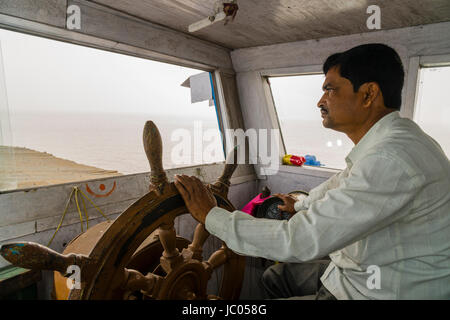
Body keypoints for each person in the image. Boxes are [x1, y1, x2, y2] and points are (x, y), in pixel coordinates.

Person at [174, 43, 450, 300]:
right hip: (363, 270)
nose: (320, 101)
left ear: (368, 94)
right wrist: (302, 203)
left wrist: (211, 216)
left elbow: (300, 240)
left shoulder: (391, 158)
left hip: (381, 290)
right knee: (275, 277)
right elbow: (342, 184)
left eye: (330, 90)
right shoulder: (395, 140)